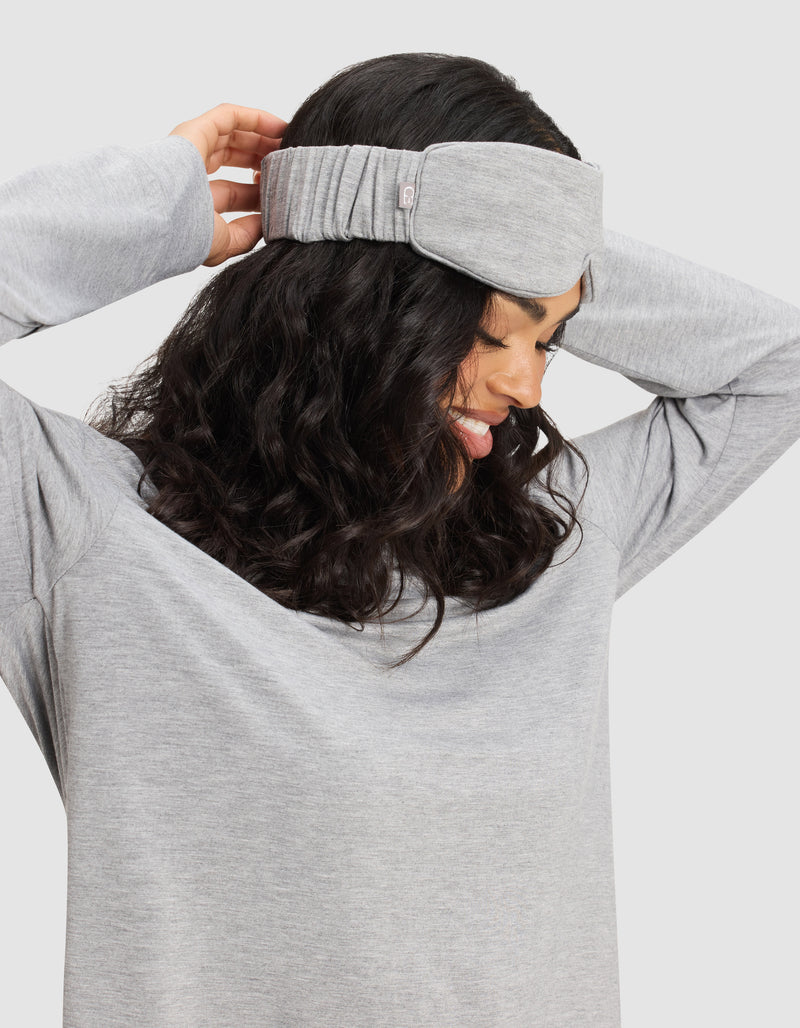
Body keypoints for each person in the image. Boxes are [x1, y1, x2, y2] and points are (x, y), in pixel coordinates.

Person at [0, 53, 797, 1027]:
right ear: (361, 311)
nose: (528, 389)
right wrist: (149, 208)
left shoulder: (555, 541)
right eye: (488, 332)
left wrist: (529, 231)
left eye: (544, 338)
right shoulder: (98, 539)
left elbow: (777, 364)